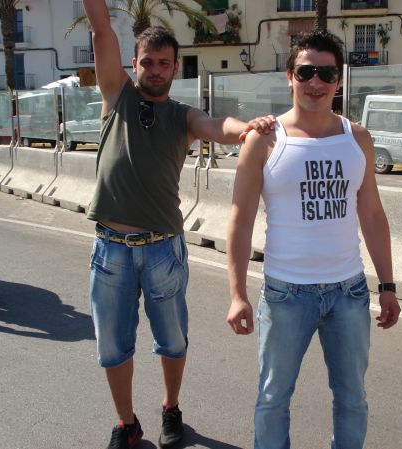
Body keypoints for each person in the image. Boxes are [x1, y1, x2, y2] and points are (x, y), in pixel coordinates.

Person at [81, 2, 275, 449]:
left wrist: (247, 128)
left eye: (163, 63)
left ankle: (171, 408)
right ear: (135, 64)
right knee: (112, 347)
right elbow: (101, 31)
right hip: (110, 250)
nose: (155, 70)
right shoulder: (116, 95)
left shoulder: (182, 116)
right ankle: (126, 423)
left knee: (171, 340)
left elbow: (216, 125)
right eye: (147, 62)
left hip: (163, 250)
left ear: (174, 69)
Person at [226, 30, 401, 449]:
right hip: (286, 294)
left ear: (339, 80)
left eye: (326, 73)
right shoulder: (264, 139)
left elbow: (372, 215)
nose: (316, 82)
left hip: (349, 294)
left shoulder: (357, 139)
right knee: (272, 399)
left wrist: (388, 285)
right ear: (290, 77)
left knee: (352, 399)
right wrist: (237, 294)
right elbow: (240, 219)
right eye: (306, 72)